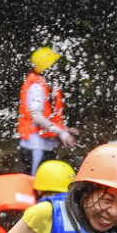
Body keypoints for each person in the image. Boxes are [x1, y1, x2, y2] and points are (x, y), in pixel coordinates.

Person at [17, 46, 79, 175]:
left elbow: (47, 116)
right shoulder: (37, 87)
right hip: (35, 146)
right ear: (47, 67)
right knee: (34, 181)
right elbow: (36, 116)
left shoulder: (46, 85)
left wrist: (63, 128)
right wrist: (61, 132)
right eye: (54, 65)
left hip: (44, 145)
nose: (57, 68)